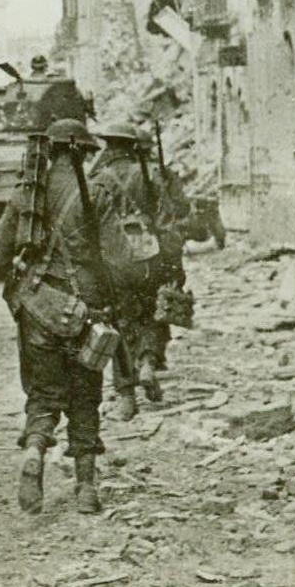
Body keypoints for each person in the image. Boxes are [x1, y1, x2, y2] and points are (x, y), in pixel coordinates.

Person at [0, 118, 128, 516]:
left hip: (37, 309)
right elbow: (121, 260)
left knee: (44, 394)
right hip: (87, 312)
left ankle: (33, 452)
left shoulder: (28, 193)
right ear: (83, 150)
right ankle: (85, 487)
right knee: (85, 396)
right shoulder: (96, 193)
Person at [89, 122, 190, 420]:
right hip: (150, 256)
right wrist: (173, 265)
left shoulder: (97, 180)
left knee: (119, 323)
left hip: (114, 263)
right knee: (152, 313)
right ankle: (147, 360)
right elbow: (168, 223)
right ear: (133, 146)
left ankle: (126, 397)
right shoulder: (150, 177)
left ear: (109, 147)